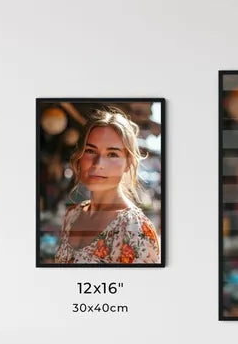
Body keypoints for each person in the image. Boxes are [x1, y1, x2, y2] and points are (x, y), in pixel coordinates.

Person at [54, 107, 160, 265]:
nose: (98, 164)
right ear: (79, 156)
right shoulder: (72, 215)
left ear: (128, 163)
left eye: (112, 154)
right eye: (90, 150)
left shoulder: (136, 230)